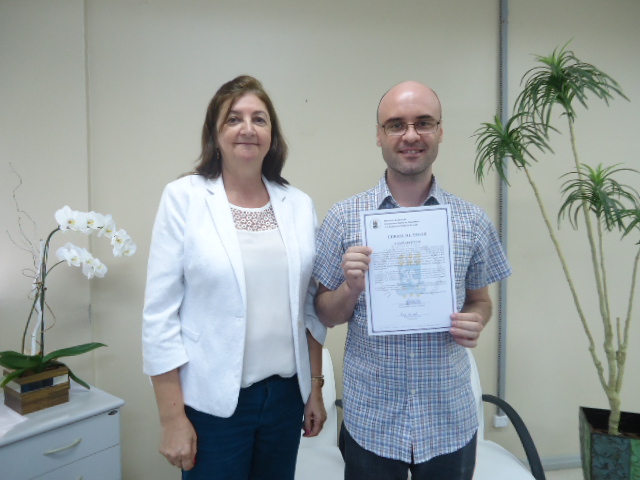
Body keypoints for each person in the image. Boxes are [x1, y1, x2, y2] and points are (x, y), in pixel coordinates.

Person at [313, 81, 511, 480]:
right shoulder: (343, 218)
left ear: (440, 131)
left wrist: (476, 319)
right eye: (396, 125)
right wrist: (351, 288)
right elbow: (324, 313)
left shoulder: (471, 221)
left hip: (448, 420)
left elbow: (481, 301)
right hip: (372, 419)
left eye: (423, 123)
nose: (410, 135)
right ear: (379, 134)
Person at [142, 75, 327, 480]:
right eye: (233, 118)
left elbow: (310, 308)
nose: (247, 128)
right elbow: (159, 316)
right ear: (215, 133)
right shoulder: (184, 198)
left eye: (259, 119)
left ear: (272, 135)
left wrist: (315, 387)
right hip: (213, 406)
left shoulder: (298, 205)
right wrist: (172, 418)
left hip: (285, 400)